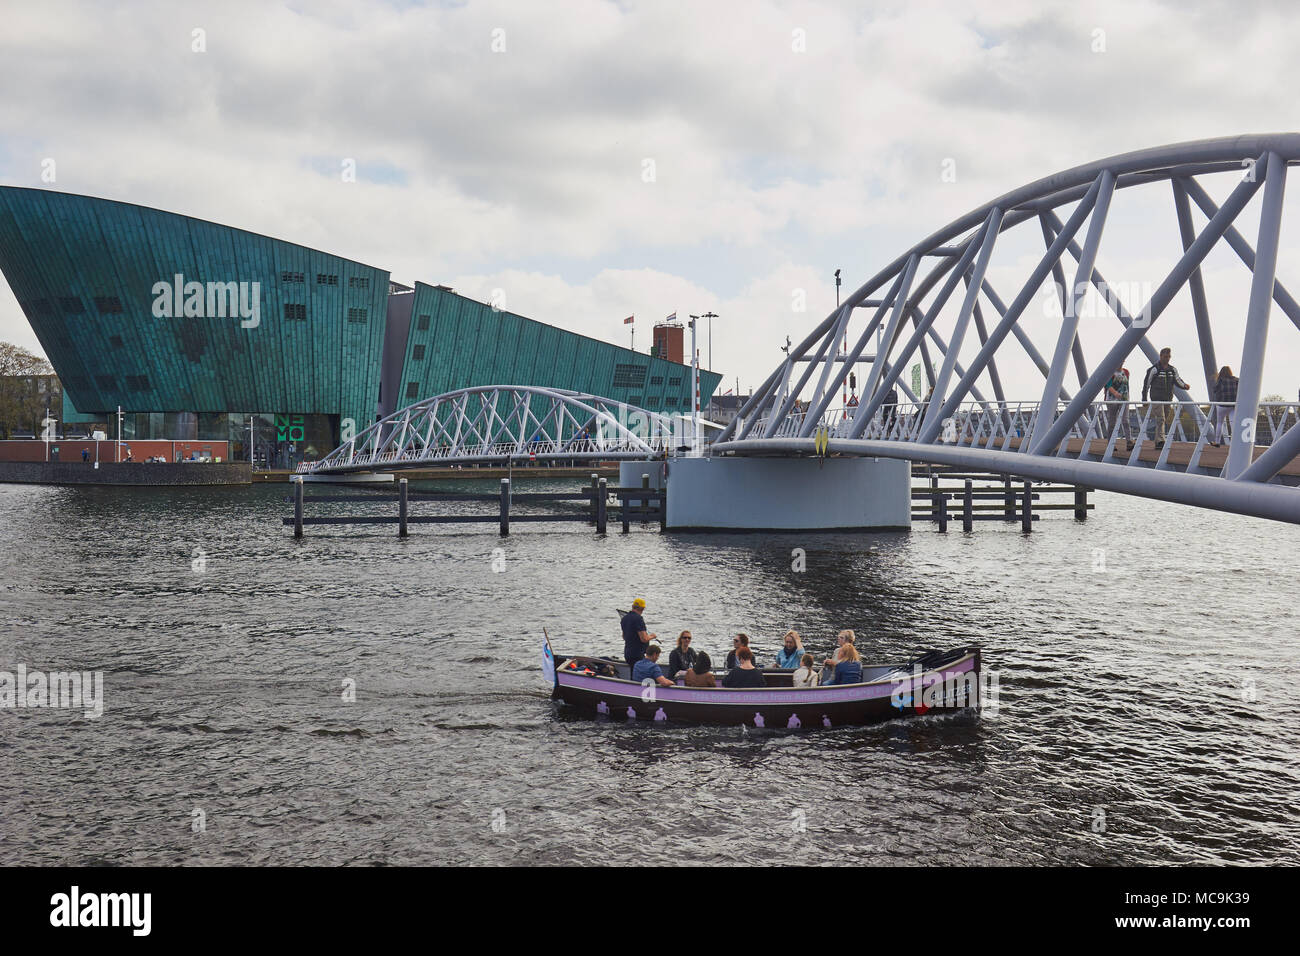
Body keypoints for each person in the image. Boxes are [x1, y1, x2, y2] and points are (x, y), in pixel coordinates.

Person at [1141, 348, 1191, 448]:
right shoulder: (1154, 369)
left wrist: (1185, 385)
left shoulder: (1172, 370)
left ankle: (1158, 441)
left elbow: (1177, 380)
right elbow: (1146, 384)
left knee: (1163, 419)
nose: (1167, 359)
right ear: (1160, 356)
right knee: (1161, 419)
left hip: (1168, 399)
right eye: (1165, 357)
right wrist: (1144, 399)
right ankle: (1160, 441)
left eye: (1168, 357)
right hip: (1156, 398)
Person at [621, 598, 656, 671]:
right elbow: (644, 639)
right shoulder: (638, 619)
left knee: (633, 672)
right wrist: (652, 636)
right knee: (639, 674)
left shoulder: (624, 618)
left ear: (633, 606)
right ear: (642, 608)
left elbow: (624, 637)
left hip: (628, 653)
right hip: (637, 654)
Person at [1104, 366, 1132, 450]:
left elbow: (1126, 385)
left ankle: (1129, 442)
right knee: (1112, 422)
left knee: (1125, 420)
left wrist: (1127, 397)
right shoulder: (1110, 372)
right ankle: (1111, 443)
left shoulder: (1126, 372)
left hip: (1124, 400)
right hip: (1112, 400)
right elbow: (1107, 385)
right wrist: (1115, 393)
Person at [1212, 365, 1238, 447]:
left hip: (1222, 405)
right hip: (1233, 404)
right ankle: (1235, 442)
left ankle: (1217, 442)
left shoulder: (1220, 380)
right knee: (1233, 423)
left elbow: (1215, 390)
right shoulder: (1237, 380)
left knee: (1220, 423)